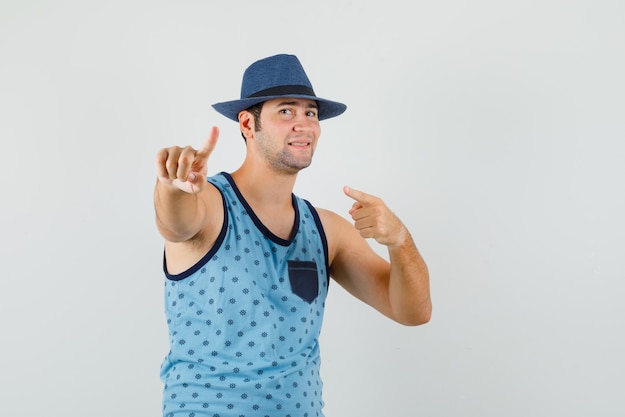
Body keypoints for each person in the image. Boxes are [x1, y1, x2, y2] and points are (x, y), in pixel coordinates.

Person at [154, 53, 431, 417]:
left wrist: (400, 241)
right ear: (248, 125)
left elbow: (412, 311)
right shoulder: (207, 202)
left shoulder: (326, 229)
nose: (303, 124)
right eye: (286, 111)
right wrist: (172, 186)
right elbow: (175, 224)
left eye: (310, 113)